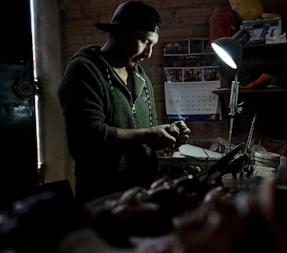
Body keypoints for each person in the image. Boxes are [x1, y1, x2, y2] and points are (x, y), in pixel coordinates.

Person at [58, 1, 191, 203]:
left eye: (153, 45)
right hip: (103, 196)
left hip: (142, 192)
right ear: (120, 33)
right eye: (145, 42)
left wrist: (166, 134)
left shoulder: (140, 78)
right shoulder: (84, 71)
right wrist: (148, 134)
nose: (149, 53)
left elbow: (146, 133)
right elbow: (90, 134)